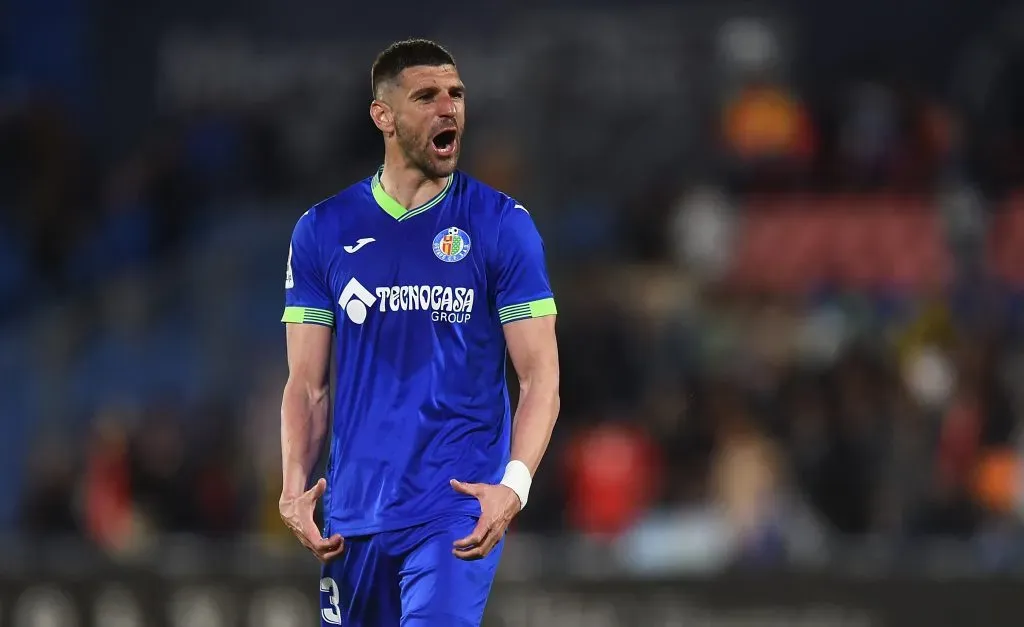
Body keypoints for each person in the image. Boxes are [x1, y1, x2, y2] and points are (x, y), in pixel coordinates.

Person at [277, 39, 560, 627]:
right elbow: (306, 386)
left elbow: (540, 380)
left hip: (454, 509)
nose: (448, 108)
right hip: (353, 517)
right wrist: (292, 487)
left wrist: (514, 485)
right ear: (383, 116)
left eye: (456, 94)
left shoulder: (502, 226)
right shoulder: (322, 231)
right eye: (426, 96)